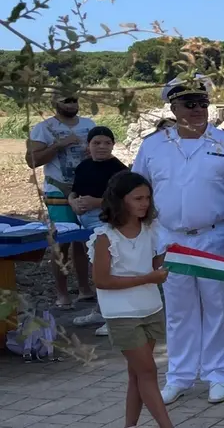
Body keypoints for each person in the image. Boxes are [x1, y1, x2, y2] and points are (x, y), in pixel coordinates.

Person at [134, 74, 224, 405]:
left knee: (217, 305)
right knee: (179, 308)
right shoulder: (153, 145)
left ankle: (218, 373)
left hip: (215, 236)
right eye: (189, 103)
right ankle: (180, 375)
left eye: (202, 103)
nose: (197, 109)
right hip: (170, 238)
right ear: (173, 107)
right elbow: (137, 188)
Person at [86, 171, 172, 428]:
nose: (145, 203)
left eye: (147, 197)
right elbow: (102, 281)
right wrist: (148, 278)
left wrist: (172, 259)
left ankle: (129, 426)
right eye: (137, 198)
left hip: (151, 308)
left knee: (137, 373)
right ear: (120, 200)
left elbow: (156, 264)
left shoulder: (152, 229)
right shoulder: (105, 237)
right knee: (148, 372)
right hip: (122, 314)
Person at [26, 93, 96, 309]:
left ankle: (85, 290)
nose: (71, 104)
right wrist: (59, 145)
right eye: (66, 100)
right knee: (62, 241)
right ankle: (62, 294)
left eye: (74, 99)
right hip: (58, 189)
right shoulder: (43, 128)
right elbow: (32, 161)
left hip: (86, 187)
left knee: (84, 241)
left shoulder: (89, 124)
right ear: (54, 103)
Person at [68, 126, 128, 336]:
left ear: (113, 145)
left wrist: (97, 202)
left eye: (106, 143)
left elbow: (125, 200)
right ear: (88, 145)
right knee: (96, 268)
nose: (101, 147)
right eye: (96, 143)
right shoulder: (83, 166)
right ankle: (100, 310)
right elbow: (74, 190)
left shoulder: (119, 170)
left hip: (105, 221)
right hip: (83, 220)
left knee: (107, 268)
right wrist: (72, 201)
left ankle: (114, 317)